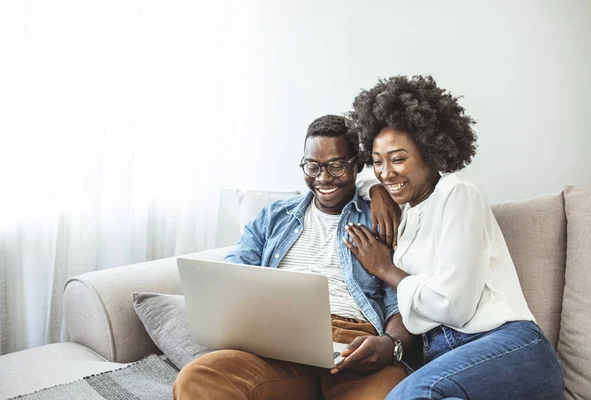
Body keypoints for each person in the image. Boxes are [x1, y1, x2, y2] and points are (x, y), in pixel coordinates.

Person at [339, 75, 564, 399]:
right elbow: (360, 183)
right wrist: (375, 190)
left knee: (410, 393)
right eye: (377, 162)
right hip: (450, 361)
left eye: (398, 159)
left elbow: (455, 306)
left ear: (430, 152)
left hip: (509, 348)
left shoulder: (457, 195)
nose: (387, 172)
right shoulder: (405, 209)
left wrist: (385, 269)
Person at [173, 115, 412, 400]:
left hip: (352, 346)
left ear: (357, 164)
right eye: (313, 166)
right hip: (277, 346)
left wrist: (391, 344)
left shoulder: (380, 218)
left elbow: (402, 302)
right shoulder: (274, 217)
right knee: (197, 379)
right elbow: (233, 274)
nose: (323, 178)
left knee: (390, 394)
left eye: (336, 166)